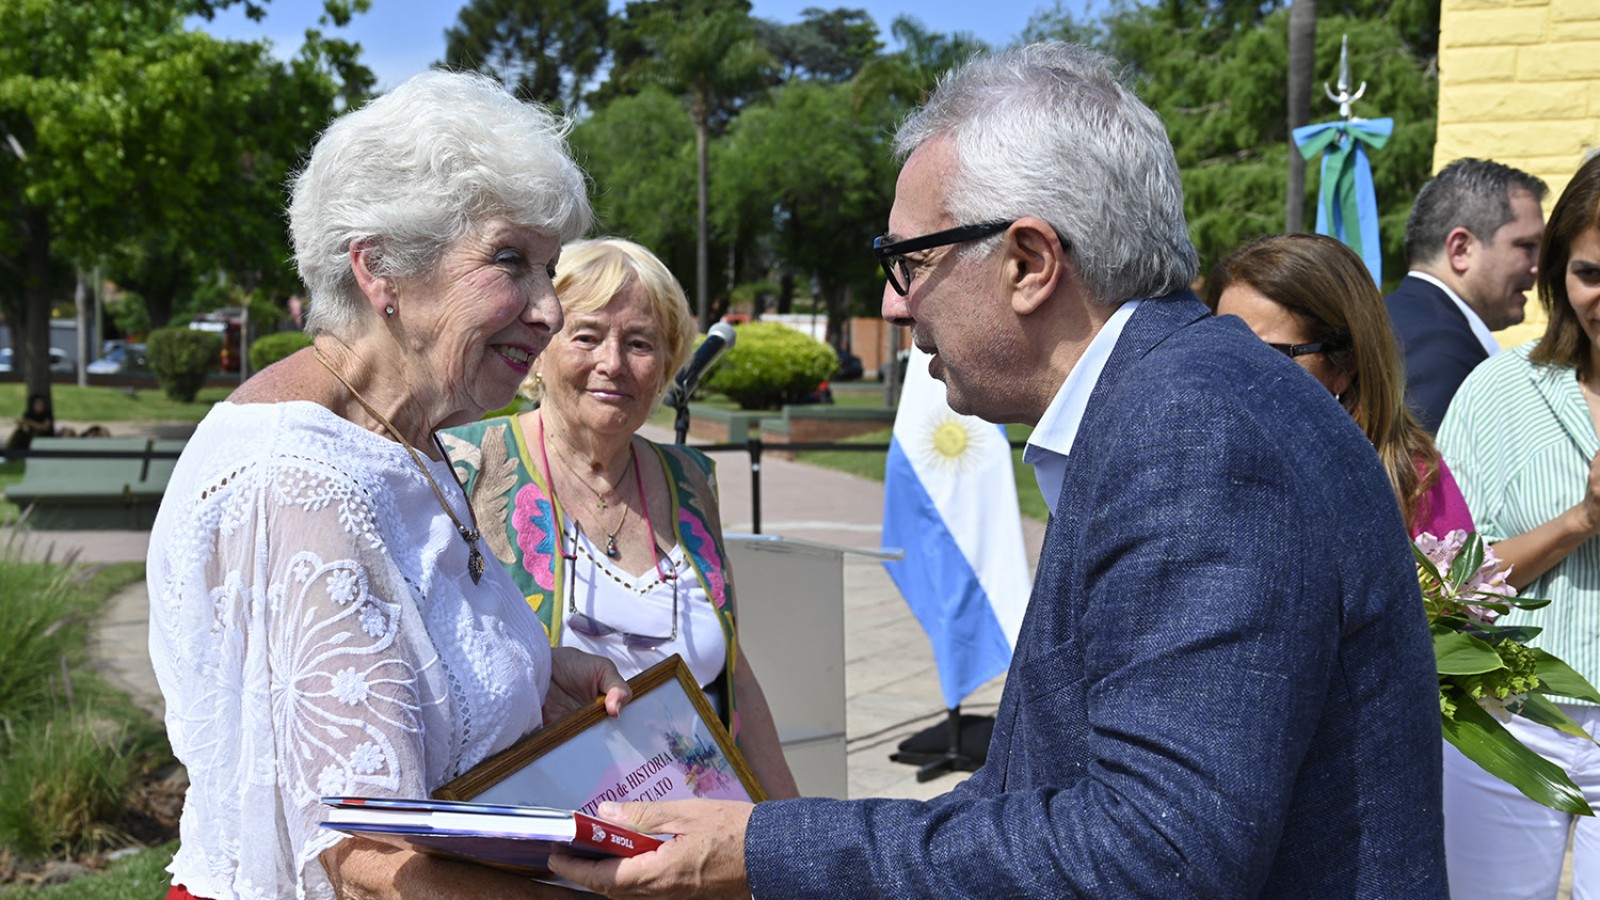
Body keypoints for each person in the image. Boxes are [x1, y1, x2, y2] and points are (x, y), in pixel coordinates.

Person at [551, 41, 1447, 899]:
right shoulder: (1180, 400)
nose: (895, 305)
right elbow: (1050, 797)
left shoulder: (1193, 433)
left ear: (1028, 262)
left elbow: (1155, 854)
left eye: (910, 262)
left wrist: (767, 849)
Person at [146, 71, 630, 900]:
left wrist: (536, 674)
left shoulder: (402, 434)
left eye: (548, 269)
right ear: (380, 271)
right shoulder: (294, 479)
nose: (548, 309)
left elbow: (400, 668)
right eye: (511, 261)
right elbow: (368, 858)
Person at [441, 236, 800, 799]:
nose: (613, 364)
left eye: (639, 343)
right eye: (586, 336)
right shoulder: (465, 466)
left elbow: (735, 673)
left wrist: (790, 835)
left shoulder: (691, 479)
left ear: (664, 367)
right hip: (551, 824)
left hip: (700, 820)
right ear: (538, 349)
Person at [1435, 152, 1600, 898]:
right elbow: (1447, 586)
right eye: (1591, 274)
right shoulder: (1501, 389)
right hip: (1512, 722)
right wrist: (1579, 520)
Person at [1207, 233, 1473, 538]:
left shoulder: (1414, 484)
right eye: (1222, 348)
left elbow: (1461, 584)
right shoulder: (1189, 466)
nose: (1234, 373)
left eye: (1270, 355)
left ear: (1345, 365)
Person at [1387, 157, 1547, 432]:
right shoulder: (1443, 354)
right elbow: (1426, 474)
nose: (1538, 267)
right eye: (1526, 245)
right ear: (1461, 250)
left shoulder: (1392, 317)